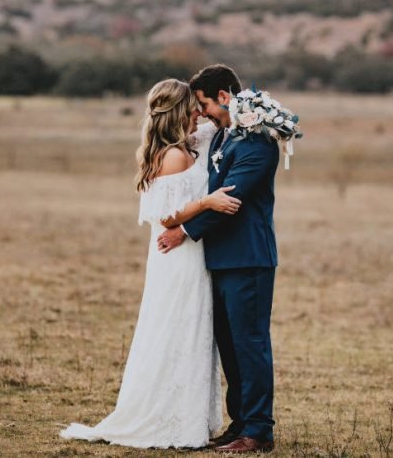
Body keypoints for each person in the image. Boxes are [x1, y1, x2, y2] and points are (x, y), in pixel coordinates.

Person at [59, 78, 241, 449]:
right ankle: (167, 419)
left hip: (192, 255)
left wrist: (255, 110)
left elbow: (223, 120)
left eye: (198, 108)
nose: (198, 115)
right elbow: (165, 216)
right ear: (178, 113)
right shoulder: (172, 156)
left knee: (193, 331)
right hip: (176, 258)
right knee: (178, 328)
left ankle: (188, 416)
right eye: (192, 110)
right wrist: (206, 203)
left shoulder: (189, 144)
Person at [156, 64, 281, 454]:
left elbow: (231, 200)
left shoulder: (258, 142)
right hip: (221, 260)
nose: (203, 112)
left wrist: (185, 231)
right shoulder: (227, 134)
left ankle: (259, 430)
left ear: (224, 97)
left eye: (206, 104)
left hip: (248, 258)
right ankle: (239, 422)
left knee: (251, 344)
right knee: (229, 346)